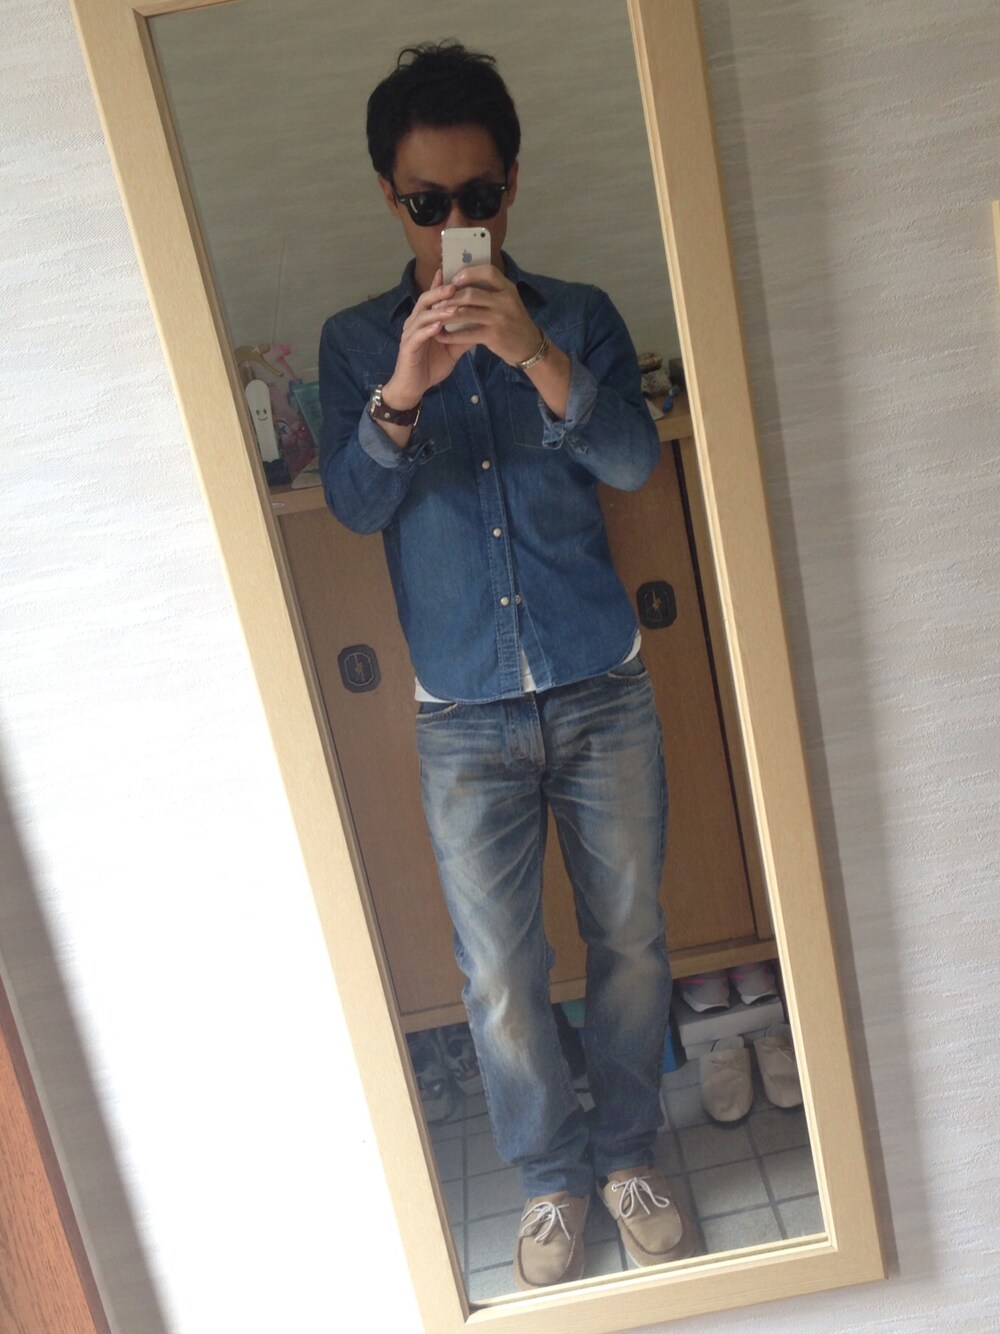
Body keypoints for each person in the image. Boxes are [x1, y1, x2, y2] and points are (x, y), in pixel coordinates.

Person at [318, 41, 691, 1290]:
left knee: (630, 939)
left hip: (599, 681)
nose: (454, 226)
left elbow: (633, 463)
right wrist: (400, 392)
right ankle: (548, 1176)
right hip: (461, 713)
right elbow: (355, 506)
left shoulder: (575, 313)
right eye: (428, 203)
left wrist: (534, 353)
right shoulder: (355, 340)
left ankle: (628, 1153)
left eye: (477, 197)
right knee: (498, 974)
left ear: (511, 186)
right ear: (391, 196)